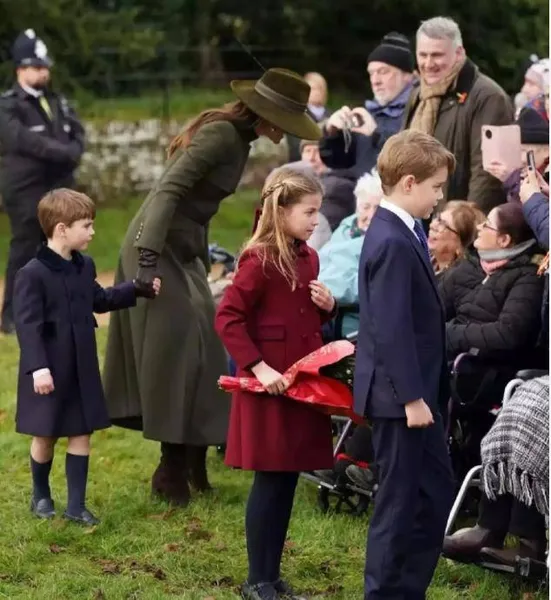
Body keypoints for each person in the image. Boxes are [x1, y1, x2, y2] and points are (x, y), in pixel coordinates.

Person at [102, 68, 322, 507]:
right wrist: (146, 260)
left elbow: (199, 209)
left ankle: (195, 460)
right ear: (271, 116)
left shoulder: (238, 139)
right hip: (156, 245)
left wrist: (203, 258)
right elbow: (168, 191)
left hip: (183, 251)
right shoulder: (222, 134)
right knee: (181, 349)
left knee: (207, 345)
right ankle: (170, 469)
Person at [215, 167, 336, 600]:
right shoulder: (259, 258)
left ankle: (272, 575)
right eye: (308, 211)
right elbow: (228, 317)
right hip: (269, 388)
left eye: (318, 212)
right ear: (280, 211)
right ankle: (256, 580)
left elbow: (297, 317)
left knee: (287, 481)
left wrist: (327, 306)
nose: (315, 221)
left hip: (301, 386)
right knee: (270, 482)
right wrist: (258, 367)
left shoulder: (309, 256)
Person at [13, 189, 160, 525]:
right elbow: (28, 326)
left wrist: (136, 288)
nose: (93, 232)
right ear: (62, 229)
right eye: (87, 225)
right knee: (46, 433)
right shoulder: (32, 274)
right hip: (48, 370)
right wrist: (38, 369)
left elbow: (98, 299)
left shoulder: (84, 266)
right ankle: (41, 495)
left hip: (81, 366)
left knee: (81, 432)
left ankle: (76, 506)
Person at [353, 130, 456, 599]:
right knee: (398, 503)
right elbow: (391, 328)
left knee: (434, 495)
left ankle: (406, 589)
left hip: (419, 396)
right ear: (409, 182)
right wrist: (413, 398)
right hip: (403, 400)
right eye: (436, 187)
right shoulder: (393, 239)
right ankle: (384, 592)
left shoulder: (400, 228)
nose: (440, 197)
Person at [0, 29, 85, 335]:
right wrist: (64, 152)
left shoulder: (57, 101)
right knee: (25, 250)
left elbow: (77, 132)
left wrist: (74, 150)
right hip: (25, 190)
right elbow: (23, 142)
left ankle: (59, 309)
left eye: (44, 66)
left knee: (63, 247)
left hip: (59, 186)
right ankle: (10, 314)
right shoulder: (8, 105)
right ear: (20, 70)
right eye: (36, 67)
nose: (43, 72)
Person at [404, 17, 513, 212]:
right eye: (423, 55)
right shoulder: (417, 94)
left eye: (437, 55)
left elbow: (487, 175)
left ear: (459, 53)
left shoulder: (488, 97)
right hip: (417, 215)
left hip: (456, 225)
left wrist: (463, 227)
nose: (428, 63)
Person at [320, 32, 415, 179]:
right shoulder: (368, 113)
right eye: (371, 73)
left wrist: (376, 135)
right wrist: (332, 135)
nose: (375, 80)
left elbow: (416, 162)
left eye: (383, 72)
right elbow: (339, 163)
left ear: (407, 76)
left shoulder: (421, 110)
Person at [318, 172, 383, 337]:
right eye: (366, 207)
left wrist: (328, 288)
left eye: (378, 208)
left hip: (359, 330)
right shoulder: (346, 229)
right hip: (327, 321)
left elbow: (371, 285)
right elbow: (320, 263)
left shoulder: (388, 239)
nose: (371, 215)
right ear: (357, 207)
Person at [428, 200, 485, 277]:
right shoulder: (422, 260)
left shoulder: (461, 278)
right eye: (438, 219)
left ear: (459, 245)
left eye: (443, 224)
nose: (432, 225)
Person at [286, 72, 330, 162]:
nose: (317, 92)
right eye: (313, 89)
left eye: (320, 88)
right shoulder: (297, 116)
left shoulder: (332, 115)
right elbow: (294, 146)